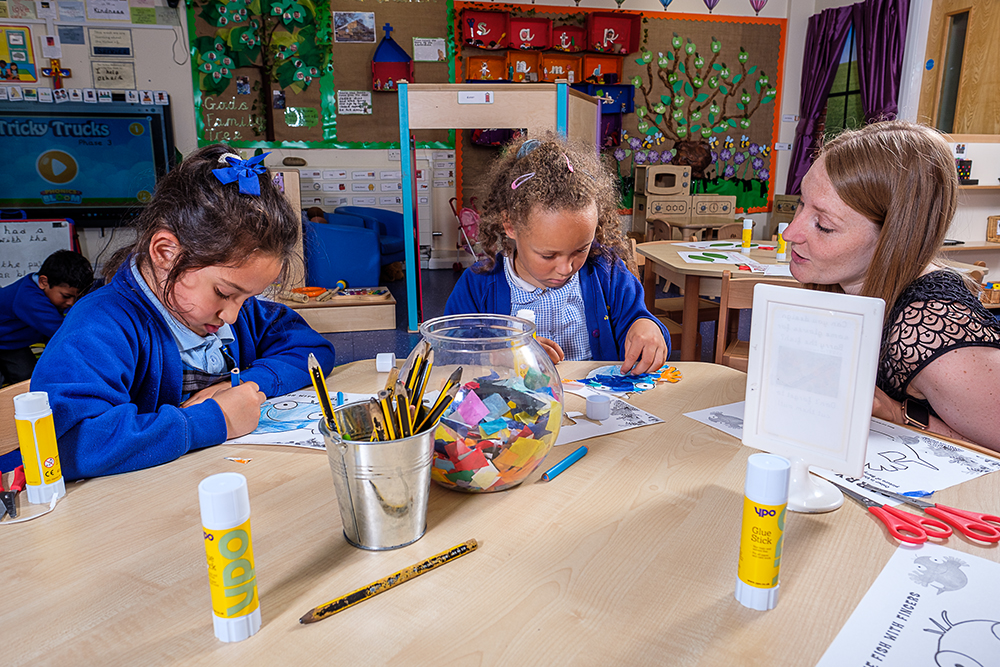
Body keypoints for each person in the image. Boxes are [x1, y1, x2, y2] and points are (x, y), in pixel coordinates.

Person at [30, 145, 337, 479]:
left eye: (248, 298)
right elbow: (66, 443)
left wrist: (251, 384)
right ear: (166, 253)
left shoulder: (235, 313)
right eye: (224, 293)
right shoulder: (100, 325)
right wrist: (214, 419)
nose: (233, 316)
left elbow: (313, 350)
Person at [782, 120, 1000, 451]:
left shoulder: (929, 327)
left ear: (892, 239)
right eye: (801, 203)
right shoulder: (845, 283)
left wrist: (897, 414)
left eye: (823, 225)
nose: (790, 233)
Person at [444, 135, 670, 374]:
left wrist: (646, 326)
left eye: (580, 249)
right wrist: (500, 353)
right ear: (510, 225)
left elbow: (638, 320)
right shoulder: (479, 284)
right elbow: (449, 350)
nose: (566, 268)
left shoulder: (607, 272)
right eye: (548, 255)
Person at [0, 249, 93, 385]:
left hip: (12, 344)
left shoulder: (47, 293)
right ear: (44, 282)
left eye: (76, 297)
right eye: (66, 296)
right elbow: (62, 333)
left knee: (28, 378)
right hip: (7, 340)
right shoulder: (29, 299)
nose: (71, 303)